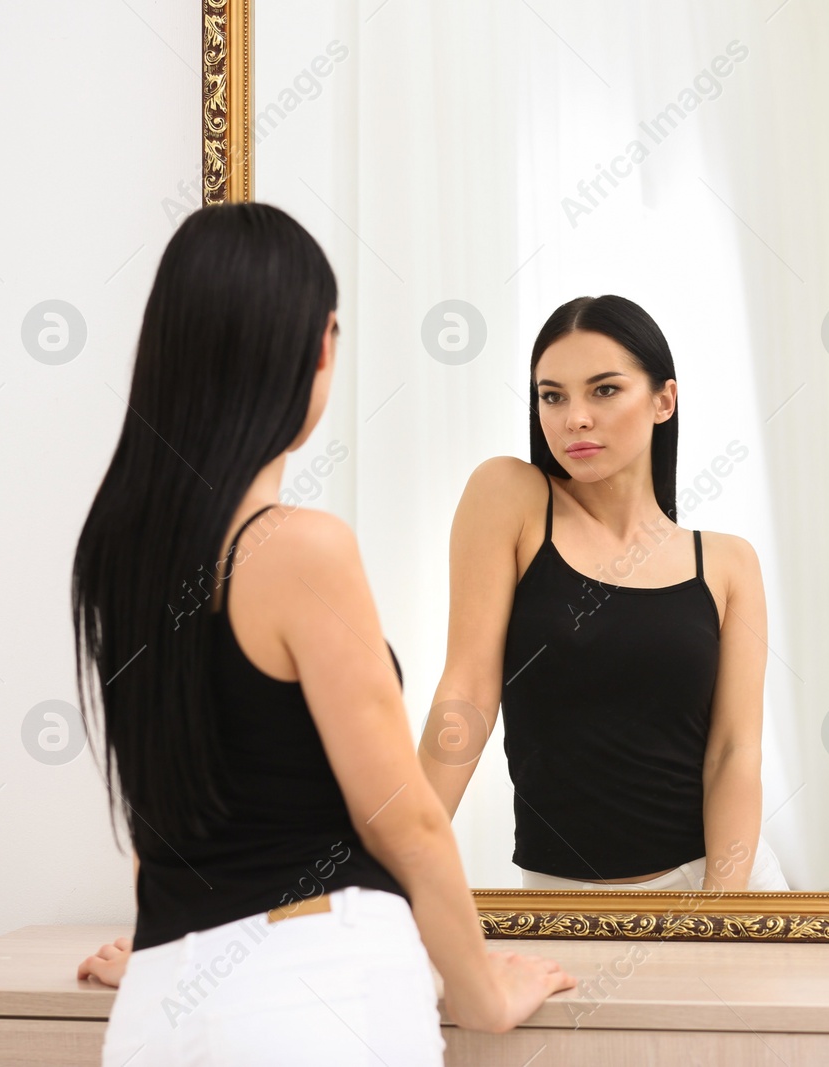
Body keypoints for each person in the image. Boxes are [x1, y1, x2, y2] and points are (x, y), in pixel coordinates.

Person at [70, 202, 573, 1065]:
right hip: (315, 992)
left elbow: (181, 797)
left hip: (158, 1009)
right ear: (318, 345)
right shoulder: (299, 548)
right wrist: (482, 990)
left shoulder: (115, 550)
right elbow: (402, 820)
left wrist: (181, 960)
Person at [416, 295, 791, 893]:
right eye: (552, 395)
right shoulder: (509, 496)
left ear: (664, 400)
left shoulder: (726, 563)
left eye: (605, 390)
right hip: (561, 898)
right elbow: (466, 693)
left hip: (713, 884)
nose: (575, 419)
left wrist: (723, 917)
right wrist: (395, 869)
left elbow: (734, 755)